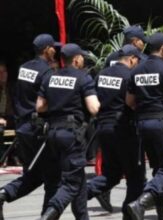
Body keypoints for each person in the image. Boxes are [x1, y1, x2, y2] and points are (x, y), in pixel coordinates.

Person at [125, 32, 163, 220]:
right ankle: (141, 202)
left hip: (143, 123)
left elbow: (129, 101)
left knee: (158, 169)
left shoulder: (136, 70)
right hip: (161, 123)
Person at [0, 34, 60, 219]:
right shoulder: (47, 73)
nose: (55, 51)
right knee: (53, 179)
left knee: (34, 176)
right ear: (46, 50)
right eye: (53, 48)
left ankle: (3, 194)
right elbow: (49, 102)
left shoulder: (24, 68)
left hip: (23, 127)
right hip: (38, 131)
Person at [37, 43, 100, 219]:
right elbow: (94, 108)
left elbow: (40, 107)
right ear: (77, 59)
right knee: (71, 183)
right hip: (72, 135)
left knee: (78, 182)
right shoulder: (83, 78)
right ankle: (49, 215)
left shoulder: (50, 77)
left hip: (53, 134)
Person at [86, 45, 145, 218]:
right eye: (137, 60)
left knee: (111, 174)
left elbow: (93, 100)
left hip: (103, 128)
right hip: (123, 128)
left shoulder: (101, 74)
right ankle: (129, 215)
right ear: (132, 59)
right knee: (135, 176)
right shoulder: (130, 75)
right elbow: (132, 103)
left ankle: (82, 193)